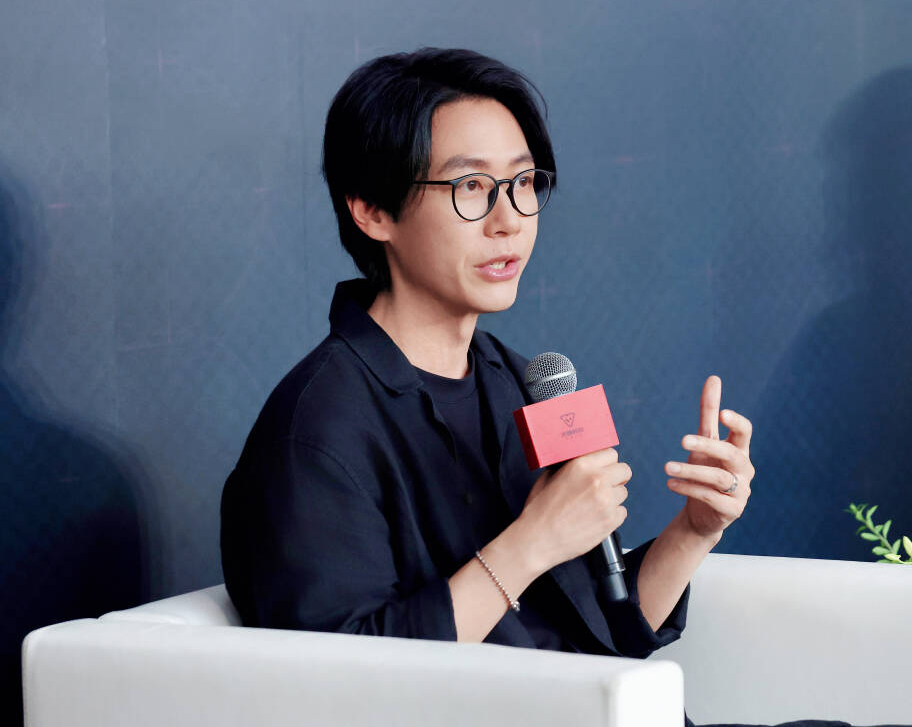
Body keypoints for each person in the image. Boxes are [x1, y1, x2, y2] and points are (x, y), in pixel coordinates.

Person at [218, 47, 857, 727]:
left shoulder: (527, 381)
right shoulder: (314, 432)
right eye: (471, 186)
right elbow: (340, 691)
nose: (510, 219)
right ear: (373, 210)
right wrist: (530, 544)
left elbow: (607, 633)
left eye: (523, 182)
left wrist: (695, 530)